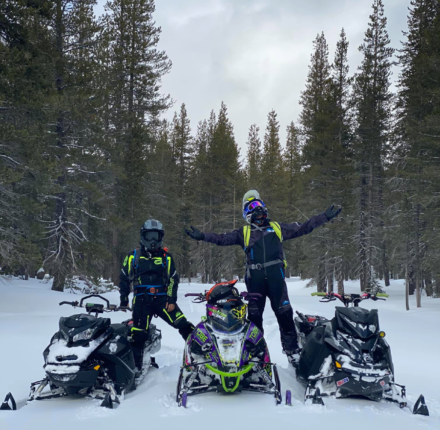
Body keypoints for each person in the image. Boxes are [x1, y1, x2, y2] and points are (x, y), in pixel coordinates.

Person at [185, 190, 341, 363]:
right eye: (253, 206)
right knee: (254, 317)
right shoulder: (244, 233)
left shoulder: (277, 228)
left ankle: (292, 351)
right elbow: (222, 238)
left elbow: (304, 227)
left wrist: (324, 217)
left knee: (284, 314)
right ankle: (255, 353)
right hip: (255, 281)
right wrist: (202, 236)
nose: (258, 209)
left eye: (260, 205)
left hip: (276, 280)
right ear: (247, 213)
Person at [120, 219, 194, 371]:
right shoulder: (133, 256)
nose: (153, 240)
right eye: (149, 236)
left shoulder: (166, 257)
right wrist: (123, 299)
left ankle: (198, 358)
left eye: (156, 236)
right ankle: (135, 369)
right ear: (143, 236)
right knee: (139, 335)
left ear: (161, 237)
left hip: (163, 300)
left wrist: (172, 299)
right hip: (141, 300)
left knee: (184, 325)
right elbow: (124, 278)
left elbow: (173, 278)